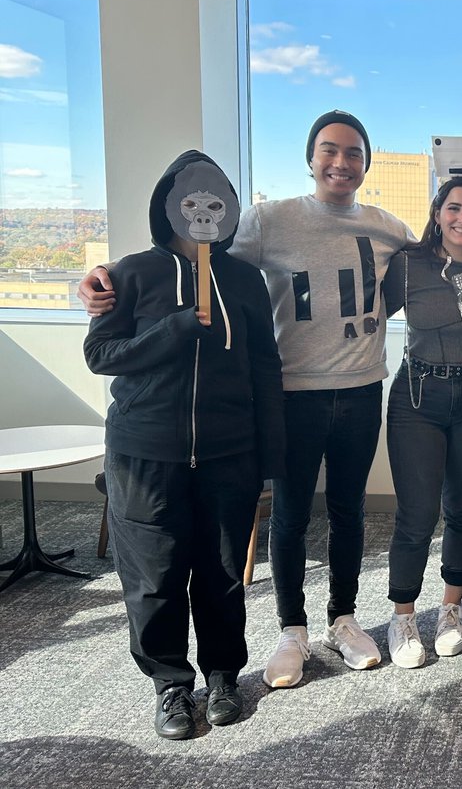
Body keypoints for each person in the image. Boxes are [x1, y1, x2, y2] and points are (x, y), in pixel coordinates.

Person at [78, 110, 415, 688]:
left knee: (349, 512)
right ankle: (292, 630)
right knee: (289, 516)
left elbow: (441, 259)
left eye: (354, 152)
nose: (341, 162)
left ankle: (344, 618)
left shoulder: (388, 227)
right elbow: (191, 240)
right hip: (294, 392)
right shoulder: (268, 221)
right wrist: (100, 276)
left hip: (361, 388)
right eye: (329, 150)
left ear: (367, 162)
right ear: (311, 159)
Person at [83, 150, 286, 739]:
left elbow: (265, 369)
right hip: (145, 452)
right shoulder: (128, 274)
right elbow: (101, 355)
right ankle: (171, 682)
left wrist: (269, 457)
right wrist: (171, 329)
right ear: (168, 206)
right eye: (190, 201)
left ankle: (223, 673)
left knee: (223, 571)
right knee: (153, 575)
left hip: (229, 452)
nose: (201, 212)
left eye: (214, 203)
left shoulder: (245, 279)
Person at [381, 175, 462, 668]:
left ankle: (452, 609)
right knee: (416, 516)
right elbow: (363, 311)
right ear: (437, 214)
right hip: (418, 397)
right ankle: (403, 616)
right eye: (454, 208)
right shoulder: (409, 265)